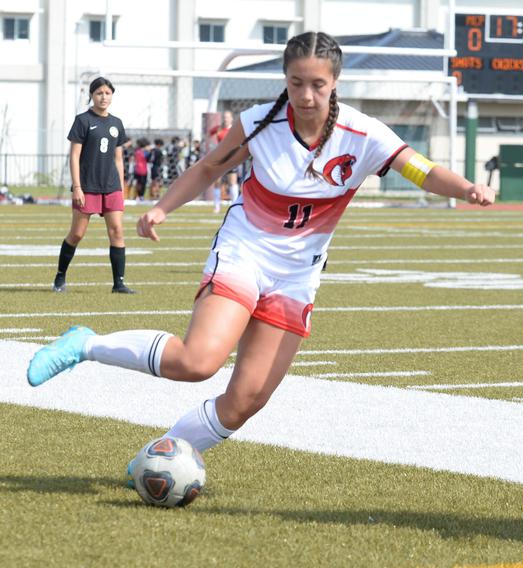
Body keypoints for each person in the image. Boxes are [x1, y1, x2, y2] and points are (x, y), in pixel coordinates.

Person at [26, 31, 494, 480]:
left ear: (335, 83)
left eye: (318, 85)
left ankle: (154, 462)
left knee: (244, 401)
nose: (306, 95)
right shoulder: (258, 123)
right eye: (295, 83)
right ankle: (84, 344)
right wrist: (162, 208)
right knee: (197, 362)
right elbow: (208, 168)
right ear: (284, 80)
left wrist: (467, 188)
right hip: (244, 251)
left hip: (297, 276)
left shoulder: (363, 134)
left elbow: (422, 170)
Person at [54, 76, 136, 294]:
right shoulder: (82, 120)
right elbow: (74, 156)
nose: (104, 97)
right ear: (92, 95)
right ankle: (60, 277)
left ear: (112, 96)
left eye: (107, 93)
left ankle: (118, 283)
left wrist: (120, 189)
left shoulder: (116, 123)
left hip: (111, 187)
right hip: (87, 186)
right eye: (99, 93)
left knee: (117, 231)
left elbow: (119, 159)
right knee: (77, 234)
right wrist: (77, 187)